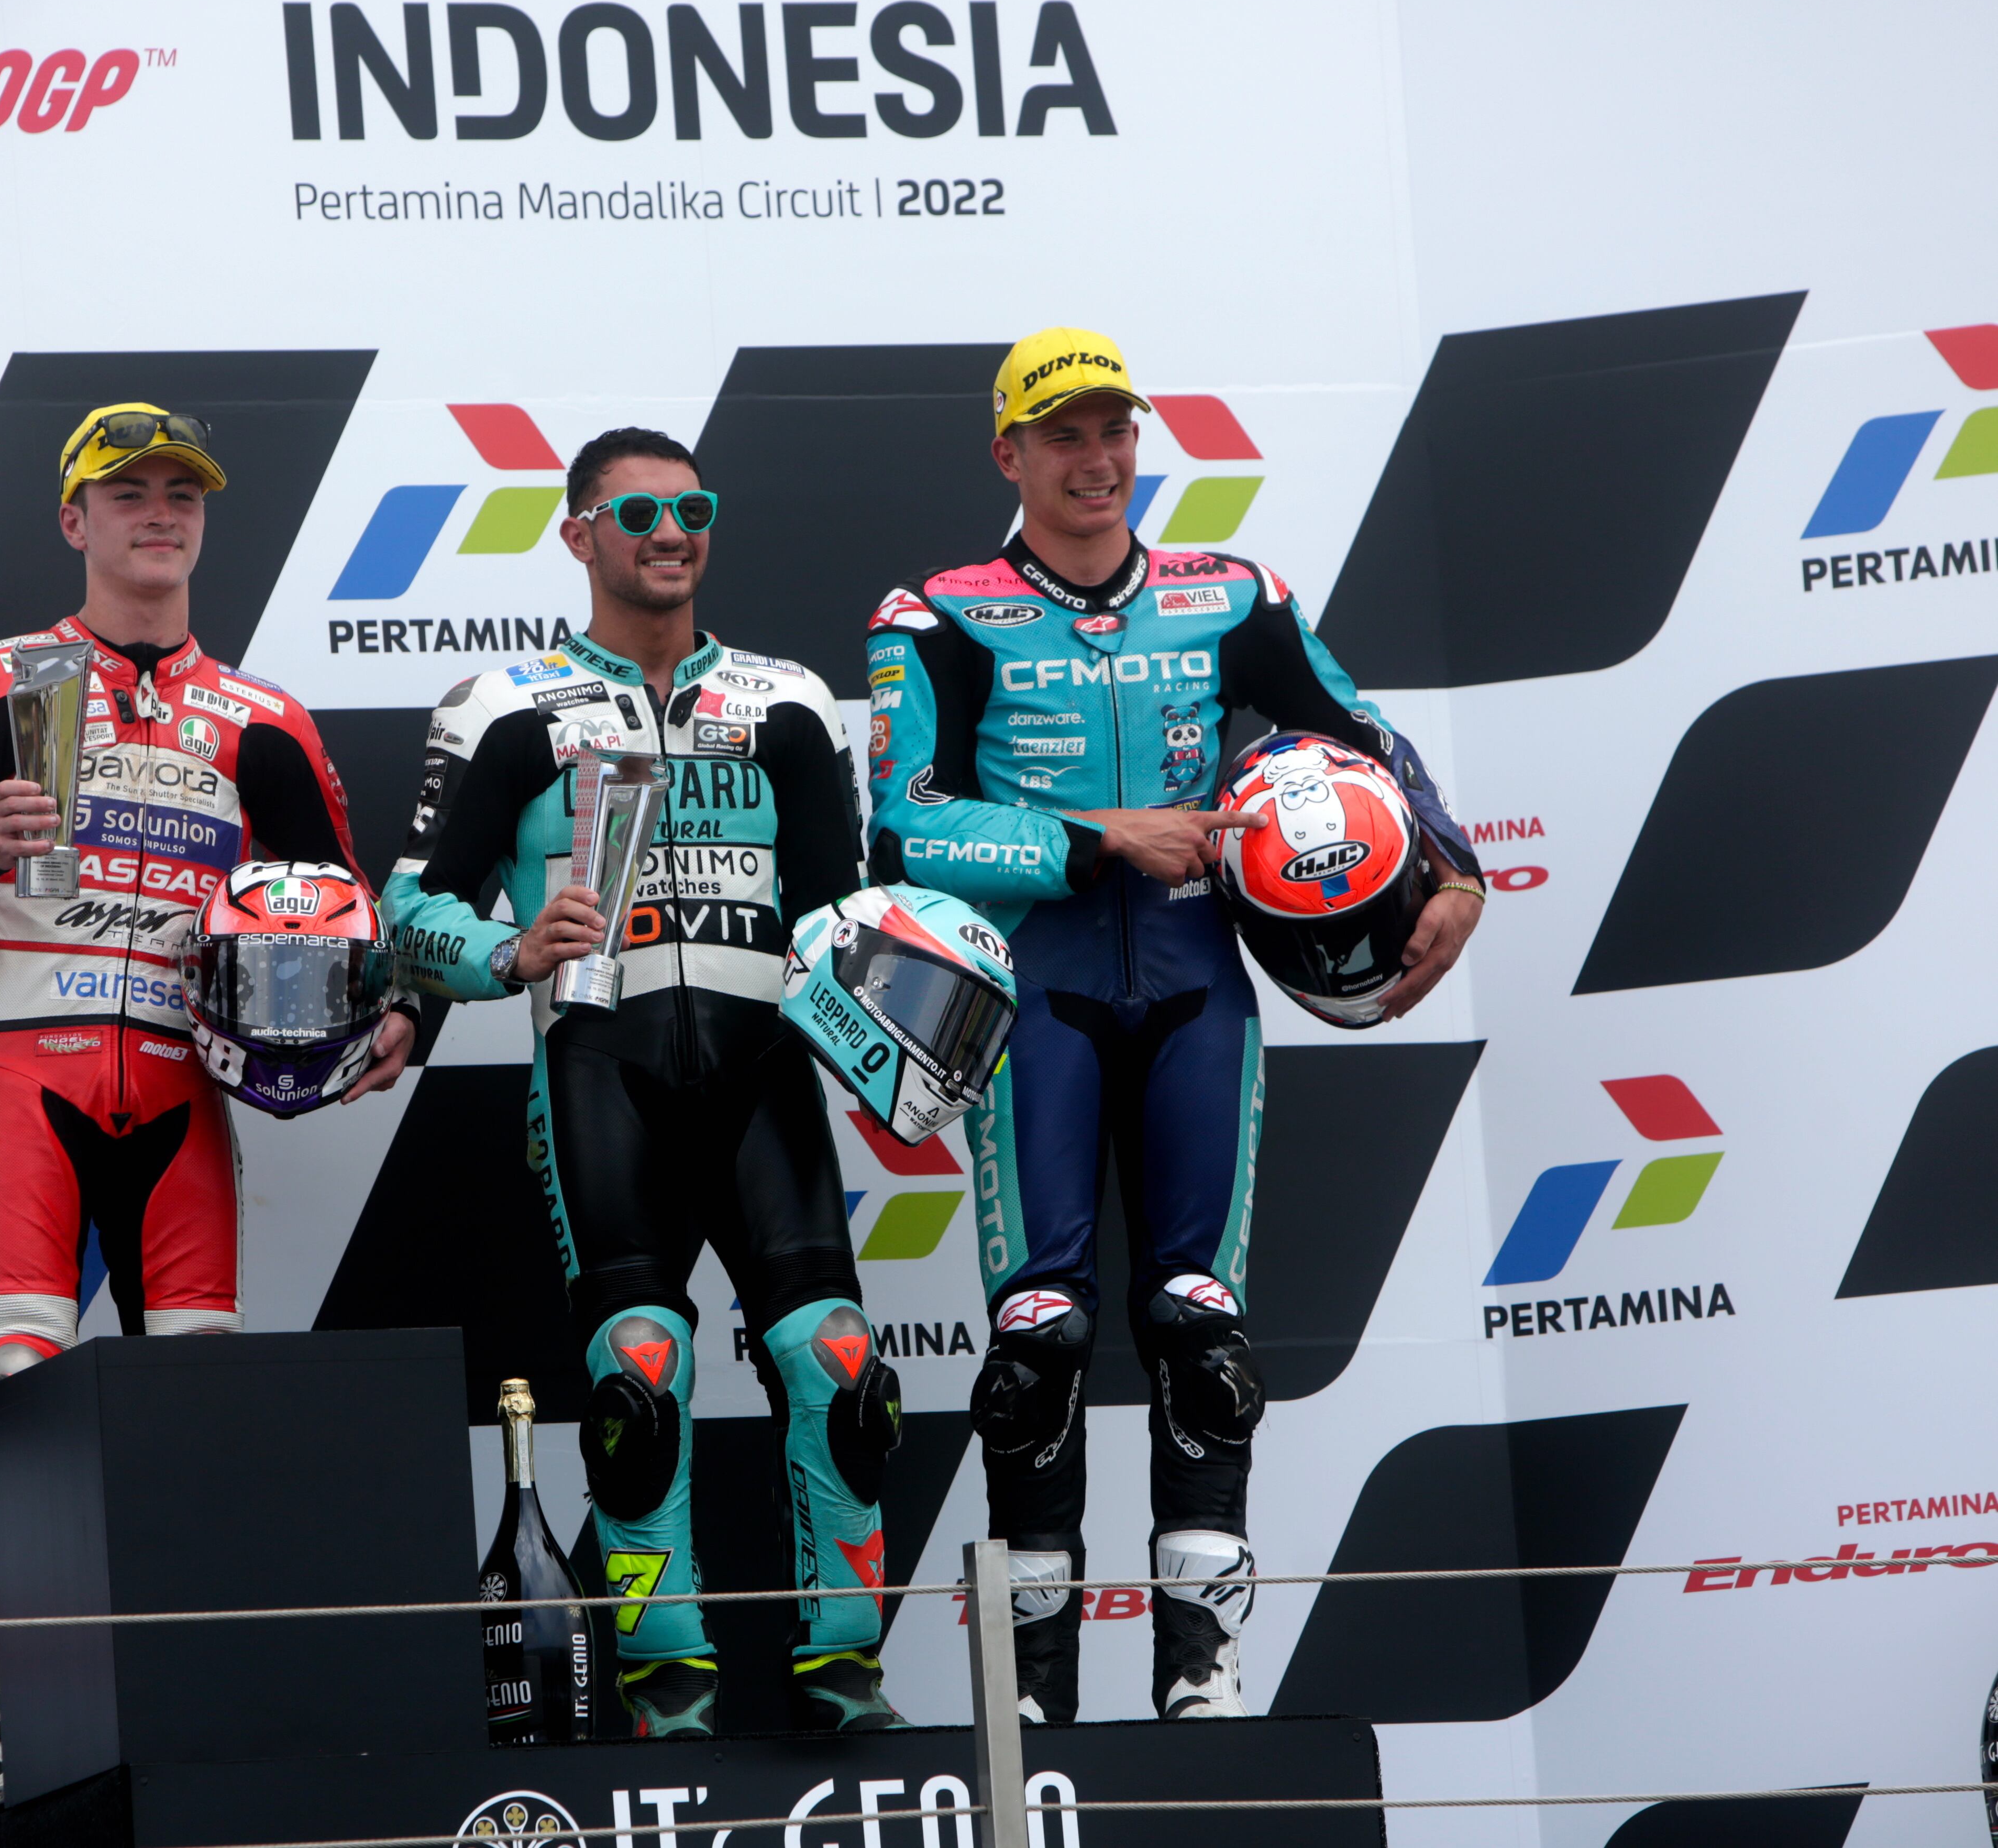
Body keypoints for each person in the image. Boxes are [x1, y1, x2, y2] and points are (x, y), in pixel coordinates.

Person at [865, 331, 1485, 1722]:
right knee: (1034, 1341)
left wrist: (1453, 872)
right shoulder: (935, 614)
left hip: (1201, 980)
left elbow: (1361, 731)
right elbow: (900, 826)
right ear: (1006, 455)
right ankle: (1031, 1698)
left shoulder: (1228, 592)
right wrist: (1099, 838)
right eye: (1063, 436)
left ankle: (1201, 1680)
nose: (1095, 461)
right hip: (1031, 992)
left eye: (1114, 433)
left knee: (1199, 1329)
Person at [0, 403, 415, 1807]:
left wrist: (388, 1019)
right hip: (20, 1077)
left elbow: (348, 923)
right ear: (71, 519)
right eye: (126, 491)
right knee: (12, 1390)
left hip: (176, 1095)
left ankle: (184, 1721)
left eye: (180, 493)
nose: (158, 513)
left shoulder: (262, 720)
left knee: (191, 1416)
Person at [383, 427, 906, 1736]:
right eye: (638, 514)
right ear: (577, 537)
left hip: (762, 1066)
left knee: (836, 1360)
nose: (670, 533)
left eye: (692, 509)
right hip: (598, 1064)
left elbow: (843, 911)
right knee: (637, 1365)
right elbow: (408, 911)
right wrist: (508, 949)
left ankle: (845, 1675)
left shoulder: (787, 699)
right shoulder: (502, 706)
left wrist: (914, 1011)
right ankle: (667, 1692)